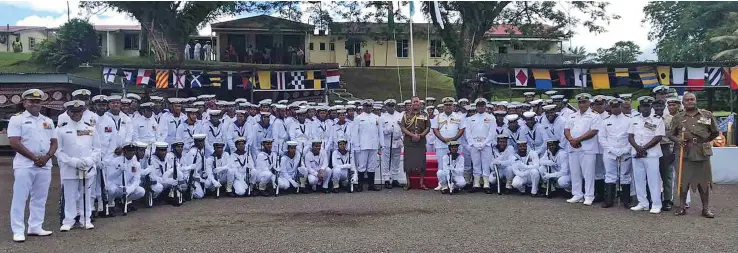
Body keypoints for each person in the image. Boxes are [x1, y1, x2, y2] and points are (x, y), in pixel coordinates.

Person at [9, 89, 57, 242]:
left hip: (44, 164)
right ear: (24, 103)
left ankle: (35, 226)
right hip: (25, 164)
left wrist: (47, 157)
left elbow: (54, 142)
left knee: (40, 197)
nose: (35, 104)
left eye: (38, 101)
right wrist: (34, 158)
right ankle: (18, 230)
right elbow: (15, 142)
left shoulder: (47, 121)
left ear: (41, 103)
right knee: (20, 197)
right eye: (31, 101)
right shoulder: (17, 119)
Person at [669, 93, 718, 218]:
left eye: (692, 99)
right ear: (683, 103)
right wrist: (677, 140)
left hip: (702, 152)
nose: (690, 101)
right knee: (683, 182)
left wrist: (704, 141)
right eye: (687, 100)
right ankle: (682, 207)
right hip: (685, 152)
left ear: (696, 101)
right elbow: (671, 134)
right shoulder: (677, 117)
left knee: (704, 182)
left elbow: (715, 132)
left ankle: (705, 209)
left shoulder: (707, 115)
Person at [628, 96, 665, 214]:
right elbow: (630, 136)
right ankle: (642, 203)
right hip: (637, 154)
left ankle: (656, 204)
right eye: (643, 106)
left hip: (651, 154)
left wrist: (643, 149)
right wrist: (638, 149)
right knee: (638, 180)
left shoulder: (657, 120)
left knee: (654, 180)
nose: (645, 108)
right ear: (640, 107)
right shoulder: (634, 119)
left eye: (648, 106)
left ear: (651, 107)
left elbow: (658, 137)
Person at [564, 93, 601, 206]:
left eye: (584, 102)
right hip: (573, 147)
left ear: (589, 103)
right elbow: (566, 129)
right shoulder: (572, 115)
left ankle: (589, 195)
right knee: (575, 172)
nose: (582, 104)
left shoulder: (595, 116)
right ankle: (577, 194)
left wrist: (578, 140)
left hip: (587, 148)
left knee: (588, 173)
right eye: (580, 102)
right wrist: (571, 140)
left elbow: (593, 131)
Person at [596, 99, 633, 208]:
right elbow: (602, 138)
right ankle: (609, 200)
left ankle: (626, 200)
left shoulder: (629, 120)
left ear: (621, 106)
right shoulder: (605, 121)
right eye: (613, 107)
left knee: (625, 175)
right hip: (610, 152)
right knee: (610, 175)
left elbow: (632, 136)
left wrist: (626, 150)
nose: (615, 109)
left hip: (625, 151)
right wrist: (612, 149)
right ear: (610, 108)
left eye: (617, 106)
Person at [431, 97, 466, 190]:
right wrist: (442, 138)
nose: (448, 107)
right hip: (441, 144)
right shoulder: (438, 117)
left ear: (453, 106)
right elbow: (435, 129)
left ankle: (454, 182)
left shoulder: (458, 116)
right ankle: (442, 183)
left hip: (454, 145)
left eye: (450, 105)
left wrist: (454, 139)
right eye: (446, 105)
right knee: (441, 164)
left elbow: (462, 129)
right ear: (443, 106)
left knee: (455, 164)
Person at [351, 100, 384, 192]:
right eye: (366, 106)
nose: (368, 108)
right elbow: (355, 133)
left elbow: (380, 132)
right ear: (363, 107)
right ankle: (360, 185)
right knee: (361, 166)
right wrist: (356, 145)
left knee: (372, 166)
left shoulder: (376, 117)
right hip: (363, 145)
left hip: (374, 145)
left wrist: (381, 144)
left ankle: (371, 185)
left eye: (370, 106)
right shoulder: (358, 118)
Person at [105, 142, 145, 216]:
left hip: (127, 187)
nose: (131, 152)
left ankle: (125, 201)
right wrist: (119, 171)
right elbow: (109, 177)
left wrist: (130, 189)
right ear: (124, 151)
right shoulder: (115, 161)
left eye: (133, 150)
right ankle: (111, 205)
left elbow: (136, 180)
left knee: (141, 191)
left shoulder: (136, 164)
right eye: (129, 150)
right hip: (116, 186)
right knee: (110, 189)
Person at [400, 96, 431, 190]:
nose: (416, 103)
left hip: (420, 142)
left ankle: (421, 183)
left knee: (421, 163)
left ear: (420, 103)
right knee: (408, 163)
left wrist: (420, 136)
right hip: (409, 142)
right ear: (411, 103)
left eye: (417, 102)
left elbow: (428, 127)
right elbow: (403, 127)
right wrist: (412, 135)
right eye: (414, 102)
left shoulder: (425, 115)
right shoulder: (406, 115)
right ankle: (408, 183)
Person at [380, 99, 403, 188]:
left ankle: (395, 179)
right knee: (386, 161)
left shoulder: (400, 115)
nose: (391, 107)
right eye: (389, 106)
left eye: (393, 105)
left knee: (396, 160)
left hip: (397, 141)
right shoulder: (382, 117)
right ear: (386, 107)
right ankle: (386, 179)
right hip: (387, 141)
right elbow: (380, 131)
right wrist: (388, 130)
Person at [182, 134, 207, 199]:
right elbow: (191, 169)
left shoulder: (201, 150)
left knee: (209, 184)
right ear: (195, 142)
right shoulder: (193, 152)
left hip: (199, 174)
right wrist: (199, 179)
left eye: (202, 141)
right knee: (200, 195)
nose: (201, 143)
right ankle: (184, 192)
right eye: (199, 141)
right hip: (192, 176)